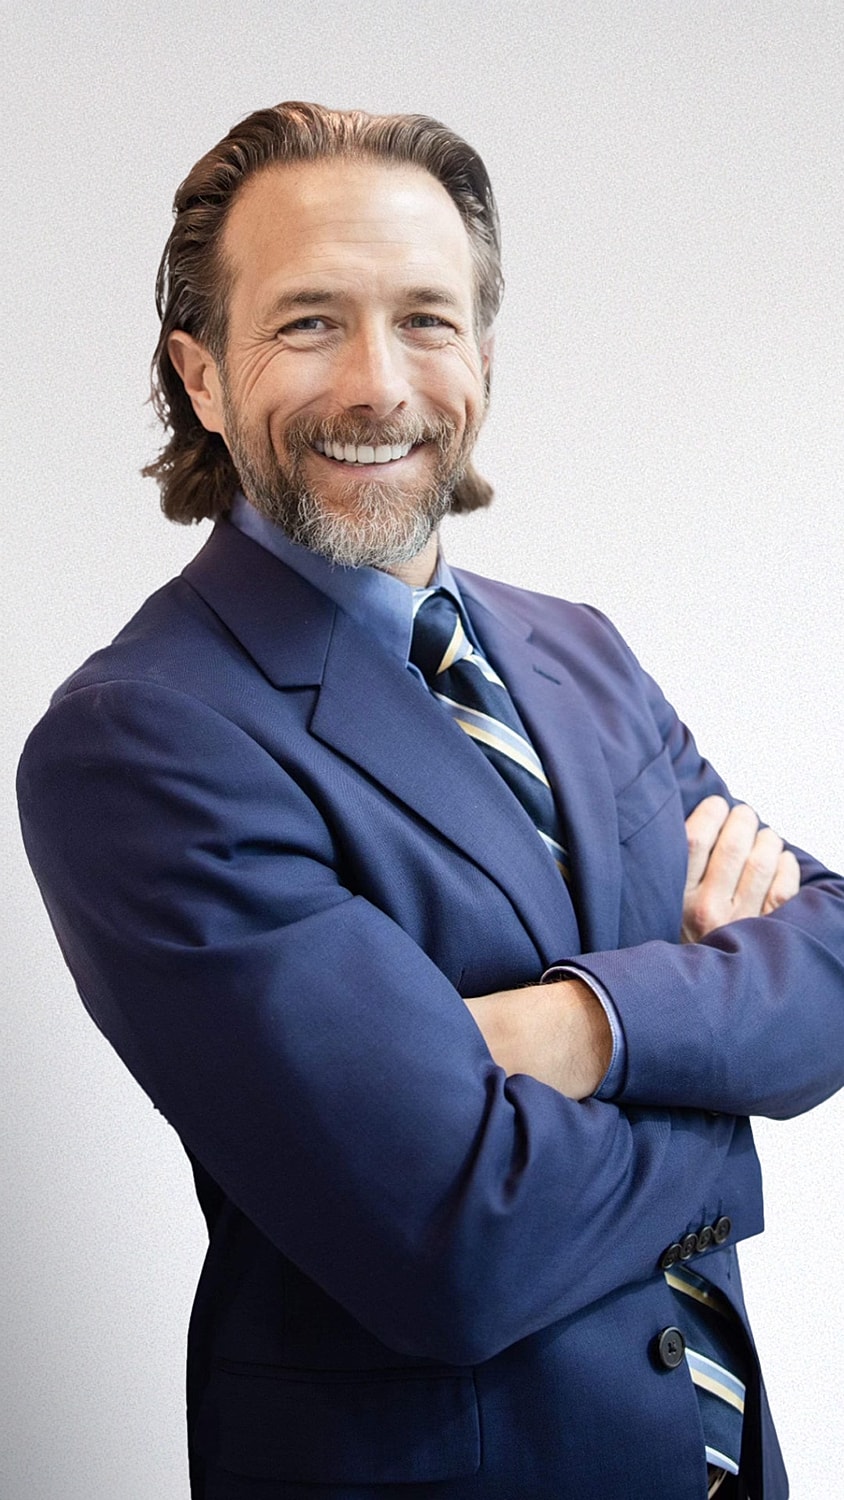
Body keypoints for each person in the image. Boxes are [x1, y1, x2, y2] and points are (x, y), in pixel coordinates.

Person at [16, 101, 844, 1500]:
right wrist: (723, 1053)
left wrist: (583, 1025)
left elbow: (832, 957)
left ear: (484, 355)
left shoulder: (576, 647)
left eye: (426, 319)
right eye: (307, 324)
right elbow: (458, 1235)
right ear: (200, 374)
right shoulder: (139, 740)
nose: (378, 385)